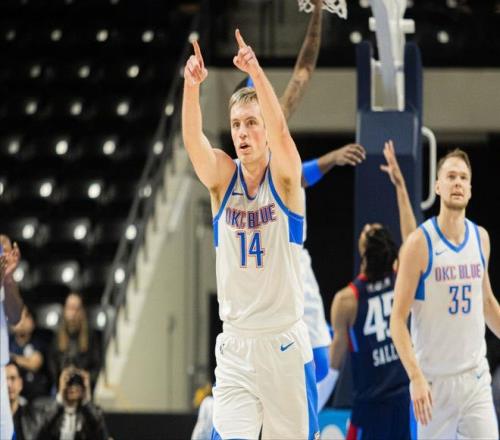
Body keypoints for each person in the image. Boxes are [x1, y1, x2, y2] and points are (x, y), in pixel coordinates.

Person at [183, 28, 319, 438]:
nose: (242, 133)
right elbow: (194, 143)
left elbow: (282, 134)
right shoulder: (223, 178)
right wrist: (191, 87)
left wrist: (257, 72)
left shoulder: (285, 180)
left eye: (251, 123)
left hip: (284, 345)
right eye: (236, 125)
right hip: (237, 346)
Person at [390, 148, 500, 439]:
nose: (457, 182)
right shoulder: (419, 244)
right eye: (451, 176)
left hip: (475, 378)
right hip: (433, 384)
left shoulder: (481, 238)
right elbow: (397, 320)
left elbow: (487, 304)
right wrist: (415, 376)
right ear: (437, 186)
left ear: (470, 189)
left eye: (463, 177)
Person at [329, 141, 416, 440]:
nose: (366, 226)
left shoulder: (347, 300)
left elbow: (335, 363)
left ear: (364, 250)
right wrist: (400, 186)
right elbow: (412, 240)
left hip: (369, 406)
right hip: (401, 401)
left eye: (368, 229)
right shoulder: (399, 278)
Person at [37, 366, 108, 440]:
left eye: (78, 384)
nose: (73, 388)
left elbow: (99, 429)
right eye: (69, 383)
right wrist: (60, 396)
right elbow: (41, 430)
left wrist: (86, 396)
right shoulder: (48, 409)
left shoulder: (88, 412)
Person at [48, 292, 101, 392]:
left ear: (82, 312)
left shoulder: (91, 336)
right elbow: (52, 366)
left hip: (85, 388)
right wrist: (61, 379)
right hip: (62, 387)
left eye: (76, 309)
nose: (73, 313)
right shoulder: (57, 336)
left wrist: (86, 377)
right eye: (70, 308)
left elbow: (97, 367)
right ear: (64, 310)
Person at [1, 235, 25, 440]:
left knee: (6, 435)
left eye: (5, 251)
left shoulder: (5, 281)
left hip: (0, 368)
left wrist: (8, 279)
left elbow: (16, 316)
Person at [9, 306, 51, 400]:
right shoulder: (7, 341)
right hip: (14, 396)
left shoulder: (39, 340)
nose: (21, 321)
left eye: (26, 316)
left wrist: (12, 358)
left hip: (37, 396)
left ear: (33, 321)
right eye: (17, 316)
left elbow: (34, 364)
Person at [6, 360, 41, 440]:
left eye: (13, 378)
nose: (8, 384)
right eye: (4, 380)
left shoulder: (33, 417)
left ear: (20, 383)